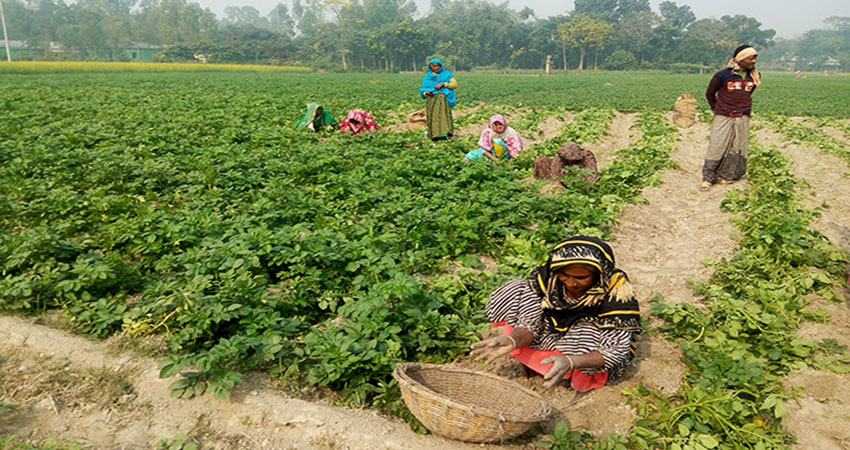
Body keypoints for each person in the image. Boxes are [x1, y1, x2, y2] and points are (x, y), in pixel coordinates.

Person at [470, 236, 641, 391]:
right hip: (552, 331)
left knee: (587, 331)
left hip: (588, 347)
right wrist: (513, 340)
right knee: (517, 289)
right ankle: (535, 363)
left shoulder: (616, 293)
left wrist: (571, 361)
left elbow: (616, 349)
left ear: (599, 274)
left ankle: (570, 373)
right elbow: (529, 321)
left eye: (581, 278)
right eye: (564, 275)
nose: (571, 283)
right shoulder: (546, 281)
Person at [701, 45, 761, 191]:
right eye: (751, 58)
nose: (754, 61)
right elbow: (710, 94)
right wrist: (717, 109)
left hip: (742, 116)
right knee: (717, 145)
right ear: (741, 59)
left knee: (737, 147)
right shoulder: (722, 75)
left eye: (755, 58)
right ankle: (708, 178)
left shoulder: (753, 76)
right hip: (723, 116)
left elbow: (746, 94)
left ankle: (727, 176)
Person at [419, 58, 457, 141]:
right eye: (433, 66)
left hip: (443, 99)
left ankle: (445, 134)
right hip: (432, 100)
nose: (436, 68)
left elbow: (454, 85)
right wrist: (427, 93)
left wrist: (444, 84)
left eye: (437, 66)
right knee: (433, 117)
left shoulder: (447, 74)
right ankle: (434, 135)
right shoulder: (428, 77)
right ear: (430, 67)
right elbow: (423, 89)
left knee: (443, 116)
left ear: (441, 66)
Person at [532, 142, 598, 186]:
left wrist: (585, 185)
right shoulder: (560, 155)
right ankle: (544, 182)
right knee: (540, 161)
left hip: (579, 177)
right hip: (565, 176)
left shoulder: (586, 156)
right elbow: (555, 172)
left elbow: (592, 174)